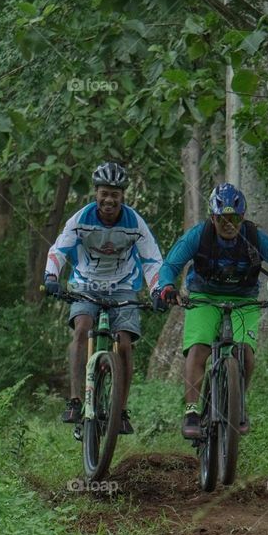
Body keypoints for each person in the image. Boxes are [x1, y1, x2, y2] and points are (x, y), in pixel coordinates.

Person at [152, 182, 268, 439]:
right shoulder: (198, 235)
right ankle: (191, 411)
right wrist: (166, 288)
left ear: (243, 217)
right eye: (222, 218)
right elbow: (169, 267)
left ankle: (237, 402)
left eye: (235, 218)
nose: (229, 224)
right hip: (203, 296)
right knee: (199, 348)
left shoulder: (256, 237)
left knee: (245, 353)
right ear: (213, 217)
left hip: (244, 299)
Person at [45, 161, 162, 436]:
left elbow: (152, 260)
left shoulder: (135, 223)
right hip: (85, 283)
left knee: (124, 343)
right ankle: (75, 401)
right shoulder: (81, 219)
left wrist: (158, 290)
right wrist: (51, 277)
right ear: (96, 193)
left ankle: (120, 411)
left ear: (123, 196)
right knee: (82, 329)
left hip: (123, 285)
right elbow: (58, 250)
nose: (109, 199)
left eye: (115, 194)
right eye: (104, 193)